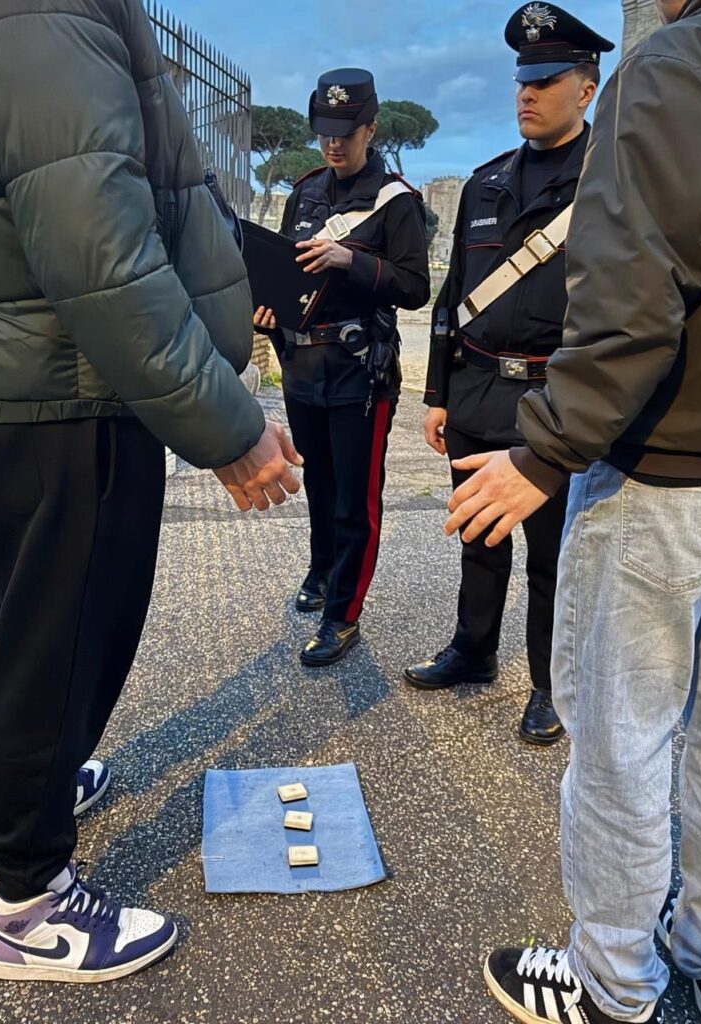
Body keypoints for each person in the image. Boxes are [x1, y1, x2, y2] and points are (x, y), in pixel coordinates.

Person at [0, 0, 301, 983]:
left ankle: (40, 781)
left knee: (31, 616)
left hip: (3, 368)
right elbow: (92, 237)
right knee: (70, 629)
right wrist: (228, 428)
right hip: (62, 379)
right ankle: (28, 903)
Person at [443, 1, 701, 1022]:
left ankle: (613, 984)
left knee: (620, 744)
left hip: (670, 466)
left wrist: (547, 444)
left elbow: (628, 293)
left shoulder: (676, 66)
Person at [404, 5, 614, 747]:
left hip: (556, 399)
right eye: (522, 80)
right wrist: (435, 393)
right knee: (478, 537)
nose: (527, 93)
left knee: (555, 555)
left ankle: (550, 685)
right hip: (478, 389)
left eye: (546, 79)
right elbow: (451, 296)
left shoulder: (609, 182)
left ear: (586, 90)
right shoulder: (487, 182)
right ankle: (473, 650)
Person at [254, 68, 430, 667]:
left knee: (357, 499)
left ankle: (343, 615)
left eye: (346, 132)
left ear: (371, 129)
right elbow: (281, 272)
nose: (334, 144)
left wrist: (349, 260)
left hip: (360, 371)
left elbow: (414, 287)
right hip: (303, 365)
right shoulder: (304, 191)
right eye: (325, 131)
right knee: (322, 487)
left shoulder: (396, 200)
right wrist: (266, 310)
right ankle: (322, 570)